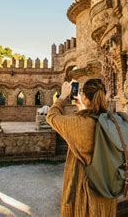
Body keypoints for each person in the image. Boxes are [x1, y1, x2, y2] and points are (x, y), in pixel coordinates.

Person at [46, 79, 117, 217]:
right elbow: (93, 120)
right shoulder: (111, 120)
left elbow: (52, 116)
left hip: (86, 193)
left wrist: (62, 97)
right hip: (107, 190)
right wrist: (83, 108)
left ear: (84, 96)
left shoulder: (79, 124)